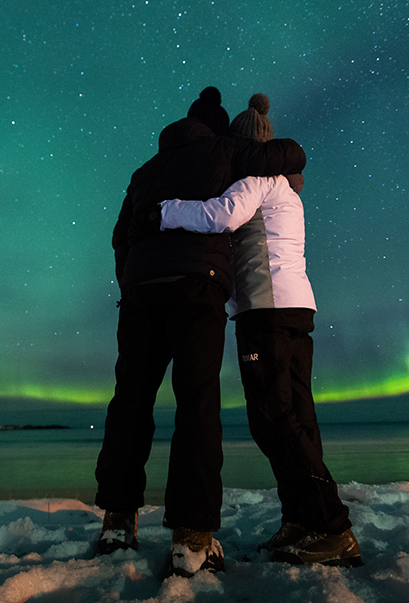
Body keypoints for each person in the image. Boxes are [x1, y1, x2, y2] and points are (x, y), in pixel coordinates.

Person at [94, 87, 307, 577]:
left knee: (130, 400)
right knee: (196, 402)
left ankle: (116, 521)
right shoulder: (226, 150)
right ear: (215, 128)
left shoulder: (145, 169)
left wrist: (132, 276)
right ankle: (191, 537)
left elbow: (120, 235)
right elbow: (292, 153)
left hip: (142, 290)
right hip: (198, 286)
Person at [155, 93, 361, 567]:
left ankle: (332, 528)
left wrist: (163, 212)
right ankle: (303, 520)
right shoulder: (287, 188)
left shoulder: (258, 181)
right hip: (293, 307)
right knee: (297, 418)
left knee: (274, 419)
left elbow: (219, 216)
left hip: (266, 311)